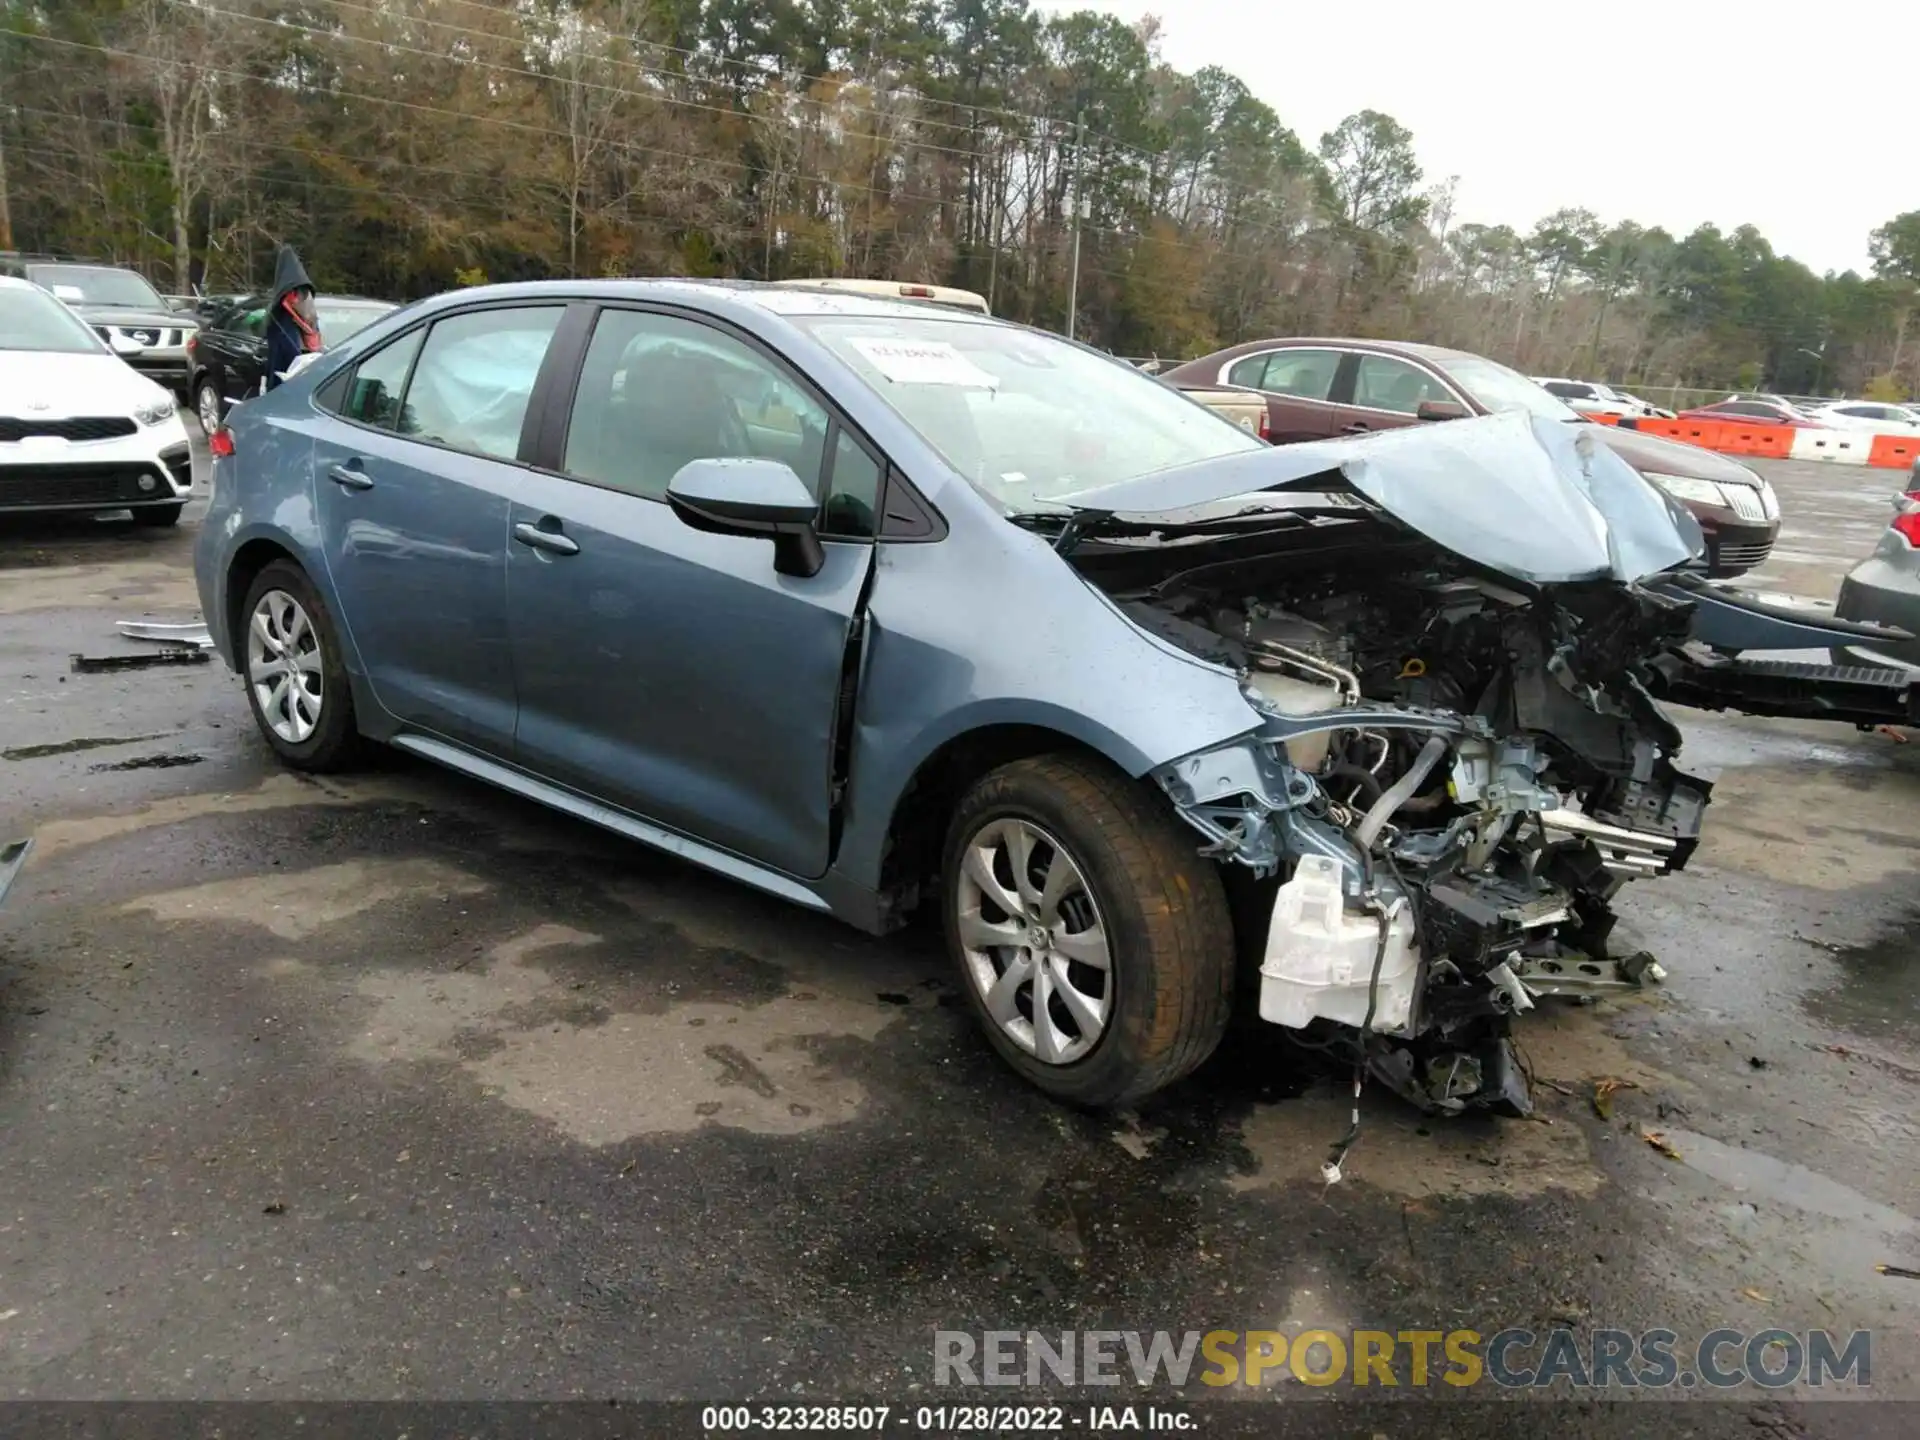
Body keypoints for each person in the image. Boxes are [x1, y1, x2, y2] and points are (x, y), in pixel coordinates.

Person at [263, 244, 321, 392]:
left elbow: (277, 345)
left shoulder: (283, 299)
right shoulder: (307, 293)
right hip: (310, 360)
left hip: (287, 365)